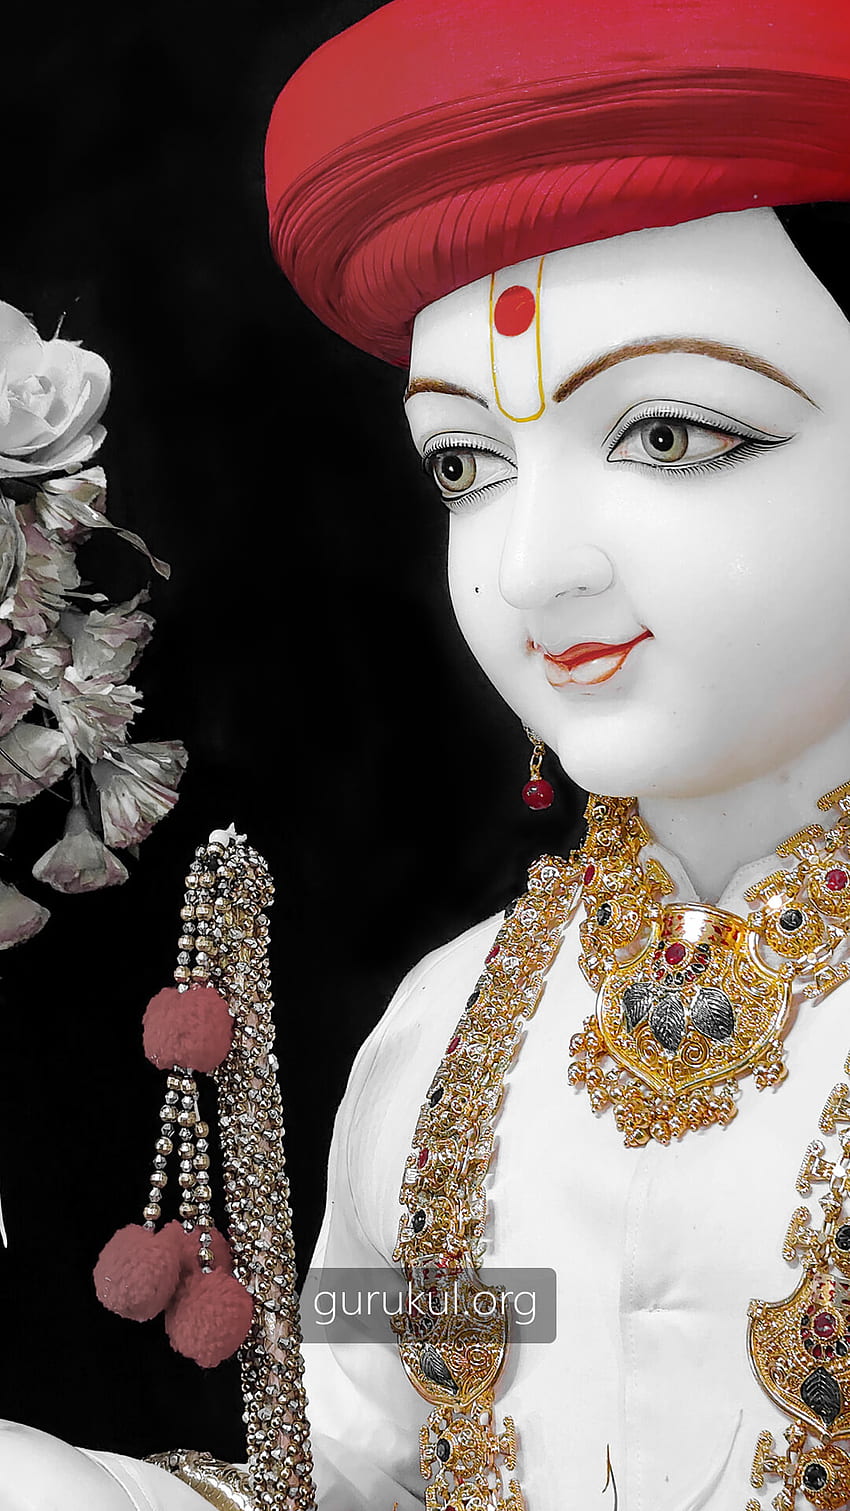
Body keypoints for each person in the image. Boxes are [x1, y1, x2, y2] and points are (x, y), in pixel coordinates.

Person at [6, 0, 850, 1507]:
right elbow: (370, 1455)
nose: (532, 570)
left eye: (668, 436)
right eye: (467, 464)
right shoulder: (453, 1033)